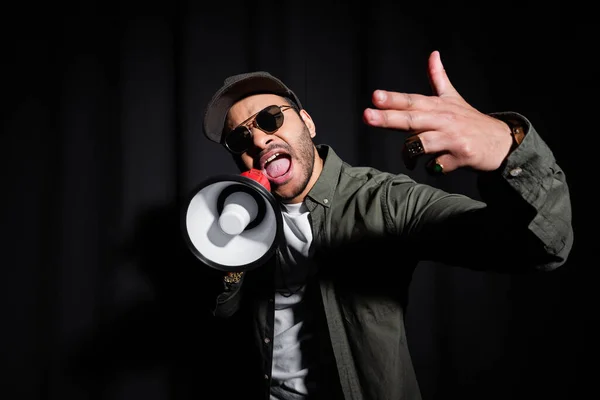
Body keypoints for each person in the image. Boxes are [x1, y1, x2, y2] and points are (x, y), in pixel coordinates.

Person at [195, 50, 573, 400]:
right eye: (240, 137)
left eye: (269, 118)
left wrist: (509, 148)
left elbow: (540, 248)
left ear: (306, 122)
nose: (259, 138)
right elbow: (225, 315)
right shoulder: (241, 217)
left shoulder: (385, 201)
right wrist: (232, 257)